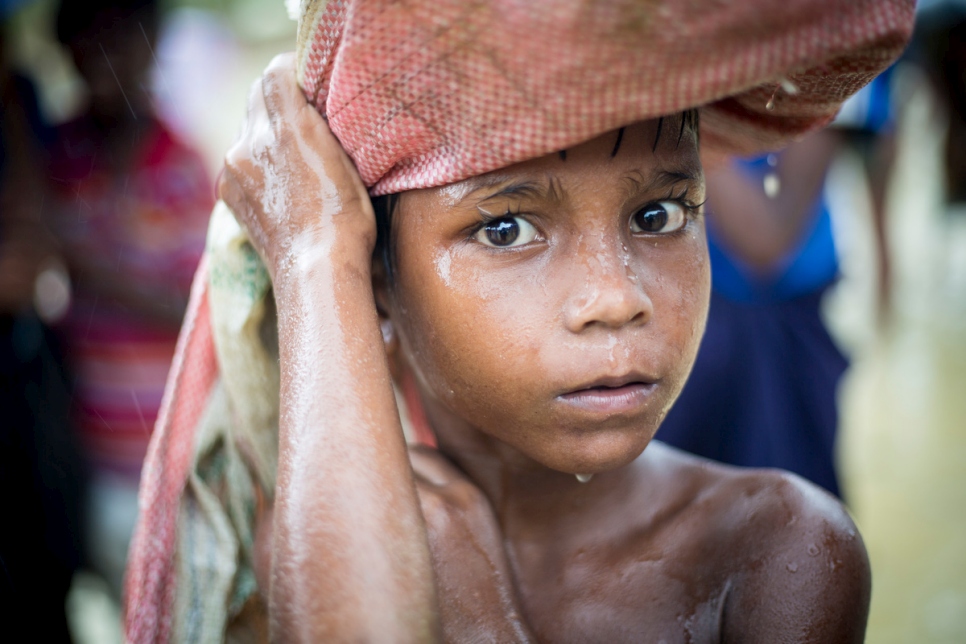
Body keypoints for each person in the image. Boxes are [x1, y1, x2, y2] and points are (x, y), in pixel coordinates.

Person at [125, 1, 914, 640]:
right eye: (505, 229)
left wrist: (476, 620)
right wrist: (312, 251)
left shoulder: (776, 549)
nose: (616, 296)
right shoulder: (305, 539)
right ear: (373, 284)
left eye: (659, 212)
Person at [47, 0, 212, 597]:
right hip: (83, 459)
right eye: (86, 43)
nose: (101, 60)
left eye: (118, 41)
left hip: (170, 464)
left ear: (151, 45)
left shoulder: (184, 167)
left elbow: (198, 310)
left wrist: (87, 266)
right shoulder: (53, 156)